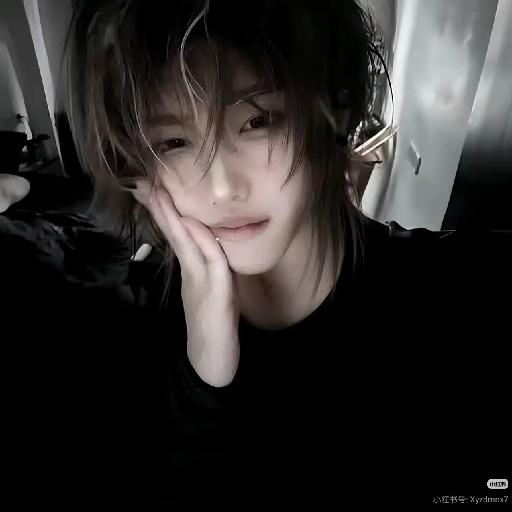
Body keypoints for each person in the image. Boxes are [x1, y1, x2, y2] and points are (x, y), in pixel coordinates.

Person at [61, 0, 511, 507]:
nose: (222, 187)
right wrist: (202, 385)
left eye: (259, 121)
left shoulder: (464, 292)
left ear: (335, 110)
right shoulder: (122, 340)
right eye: (172, 142)